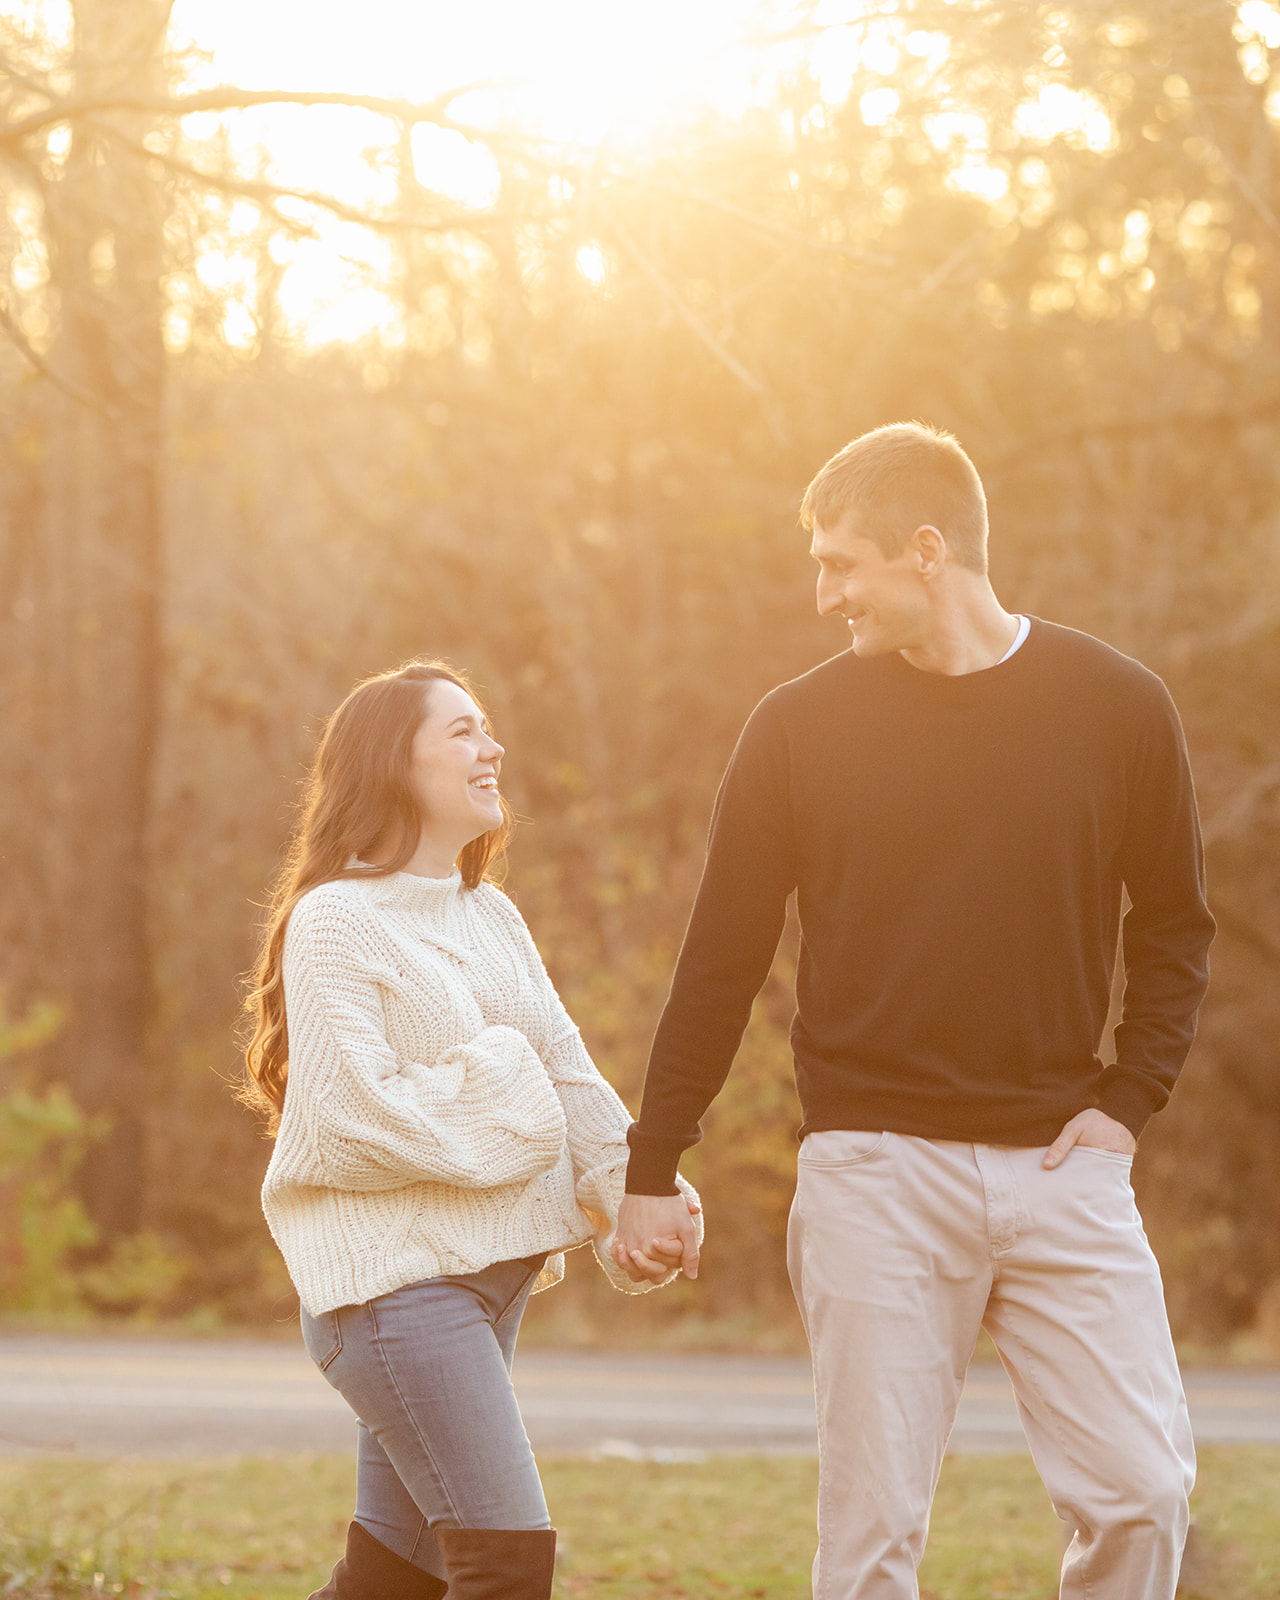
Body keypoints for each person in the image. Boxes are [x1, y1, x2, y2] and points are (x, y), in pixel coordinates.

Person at [614, 423, 1214, 1599]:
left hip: (1061, 1165)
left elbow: (1176, 926)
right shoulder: (795, 727)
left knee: (1143, 1493)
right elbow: (720, 958)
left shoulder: (1118, 706)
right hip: (874, 1173)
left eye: (842, 563)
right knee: (872, 1544)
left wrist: (1128, 1099)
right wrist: (652, 1157)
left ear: (926, 550)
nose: (823, 592)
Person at [243, 659, 699, 1600]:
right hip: (395, 1294)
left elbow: (566, 1066)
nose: (492, 748)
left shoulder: (489, 914)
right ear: (390, 763)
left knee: (392, 1578)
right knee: (508, 1564)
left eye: (487, 729)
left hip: (490, 1282)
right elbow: (352, 1120)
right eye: (462, 731)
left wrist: (638, 1187)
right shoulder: (334, 922)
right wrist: (507, 1082)